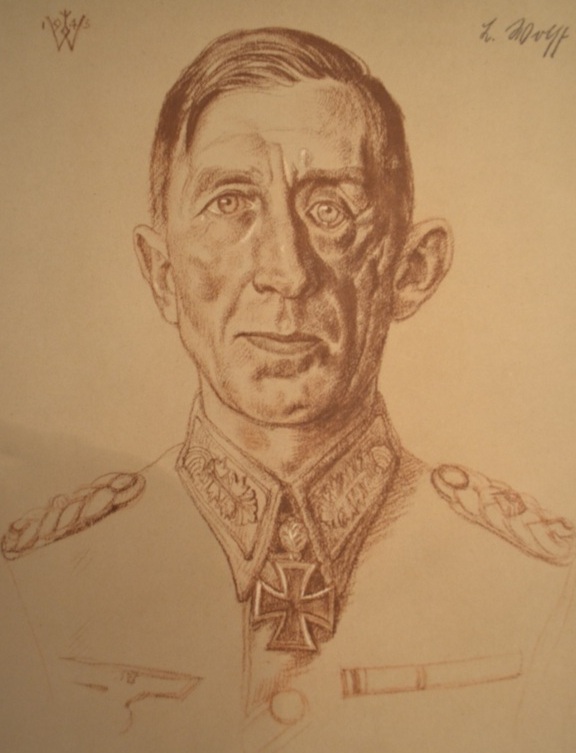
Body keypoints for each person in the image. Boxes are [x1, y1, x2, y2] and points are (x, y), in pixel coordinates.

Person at [2, 28, 574, 753]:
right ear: (160, 272)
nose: (286, 271)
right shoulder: (33, 588)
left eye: (330, 209)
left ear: (412, 269)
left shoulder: (542, 591)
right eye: (230, 204)